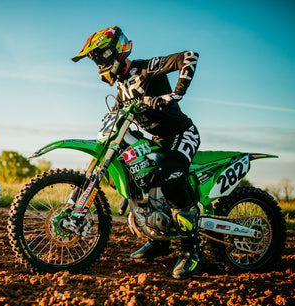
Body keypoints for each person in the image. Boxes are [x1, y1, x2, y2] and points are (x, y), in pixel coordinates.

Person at [71, 26, 202, 279]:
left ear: (115, 52)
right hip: (157, 139)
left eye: (99, 56)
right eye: (94, 59)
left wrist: (176, 93)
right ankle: (160, 241)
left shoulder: (145, 68)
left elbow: (189, 56)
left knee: (172, 179)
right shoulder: (121, 88)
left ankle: (192, 251)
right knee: (137, 175)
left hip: (181, 134)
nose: (97, 63)